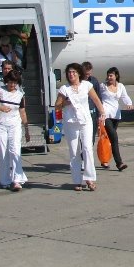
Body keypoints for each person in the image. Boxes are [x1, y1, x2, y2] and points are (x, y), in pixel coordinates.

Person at [54, 62, 105, 191]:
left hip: (86, 121)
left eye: (74, 72)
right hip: (71, 123)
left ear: (79, 74)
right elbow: (57, 106)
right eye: (69, 72)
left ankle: (90, 178)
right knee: (74, 151)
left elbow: (96, 99)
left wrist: (102, 113)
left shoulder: (87, 85)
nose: (71, 74)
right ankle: (77, 180)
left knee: (87, 148)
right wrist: (66, 102)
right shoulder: (64, 89)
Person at [0, 70, 30, 191]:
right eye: (10, 82)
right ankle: (5, 179)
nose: (12, 85)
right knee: (2, 151)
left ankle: (17, 179)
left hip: (15, 125)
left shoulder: (20, 94)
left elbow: (22, 111)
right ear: (6, 81)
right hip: (0, 124)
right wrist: (0, 107)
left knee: (15, 150)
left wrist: (26, 129)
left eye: (15, 82)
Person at [99, 67, 133, 171]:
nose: (109, 77)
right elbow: (95, 97)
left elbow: (124, 96)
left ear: (116, 76)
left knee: (109, 140)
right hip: (106, 116)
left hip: (116, 115)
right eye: (108, 75)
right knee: (114, 138)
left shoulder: (121, 86)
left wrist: (129, 103)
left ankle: (104, 160)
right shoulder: (102, 86)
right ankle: (119, 163)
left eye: (111, 75)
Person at [82, 61, 102, 143]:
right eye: (86, 74)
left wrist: (99, 115)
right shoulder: (78, 82)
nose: (88, 76)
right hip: (82, 114)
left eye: (89, 73)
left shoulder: (94, 81)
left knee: (91, 138)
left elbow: (98, 98)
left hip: (92, 113)